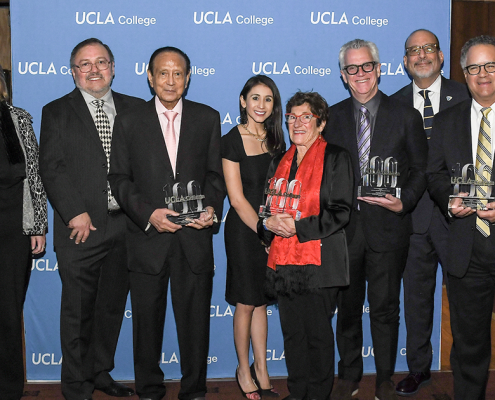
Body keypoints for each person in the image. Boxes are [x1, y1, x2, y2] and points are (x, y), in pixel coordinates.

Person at [108, 46, 224, 400]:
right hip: (147, 241)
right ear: (149, 76)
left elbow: (214, 177)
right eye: (163, 73)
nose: (170, 80)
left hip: (194, 240)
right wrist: (149, 215)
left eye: (178, 73)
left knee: (195, 326)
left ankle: (193, 390)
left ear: (188, 78)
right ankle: (149, 390)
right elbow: (119, 179)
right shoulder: (128, 120)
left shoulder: (207, 117)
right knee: (146, 327)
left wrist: (211, 209)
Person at [39, 38, 144, 400]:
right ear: (73, 73)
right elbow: (51, 169)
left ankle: (100, 373)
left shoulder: (135, 109)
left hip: (126, 227)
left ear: (113, 68)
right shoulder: (56, 111)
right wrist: (74, 213)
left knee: (111, 308)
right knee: (78, 313)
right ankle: (76, 387)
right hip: (80, 230)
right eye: (85, 64)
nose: (94, 70)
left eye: (101, 62)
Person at [324, 39, 428, 400]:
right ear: (343, 75)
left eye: (367, 66)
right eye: (352, 69)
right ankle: (349, 376)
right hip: (344, 233)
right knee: (347, 310)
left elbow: (420, 170)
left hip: (390, 230)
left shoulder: (406, 115)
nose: (360, 74)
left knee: (385, 310)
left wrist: (406, 202)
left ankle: (383, 377)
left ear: (379, 68)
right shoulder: (331, 118)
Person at [259, 91, 353, 400]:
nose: (297, 123)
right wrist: (267, 225)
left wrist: (297, 228)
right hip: (284, 264)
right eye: (292, 117)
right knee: (293, 336)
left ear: (321, 122)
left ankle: (317, 395)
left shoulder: (336, 157)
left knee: (317, 337)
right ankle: (297, 393)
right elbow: (266, 211)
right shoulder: (279, 161)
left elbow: (340, 212)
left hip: (320, 262)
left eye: (306, 117)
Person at [391, 29, 470, 397]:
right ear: (405, 62)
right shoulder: (392, 104)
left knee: (467, 300)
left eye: (428, 49)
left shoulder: (469, 94)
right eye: (413, 51)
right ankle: (419, 369)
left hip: (463, 217)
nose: (421, 55)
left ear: (441, 57)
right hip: (415, 219)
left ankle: (466, 373)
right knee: (417, 300)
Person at [427, 35, 495, 400]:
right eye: (474, 67)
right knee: (469, 344)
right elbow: (434, 174)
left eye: (490, 65)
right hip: (465, 247)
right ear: (464, 74)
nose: (482, 74)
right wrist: (449, 198)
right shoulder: (446, 120)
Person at [222, 75, 285, 400]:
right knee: (246, 303)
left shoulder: (277, 141)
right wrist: (263, 230)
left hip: (272, 230)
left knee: (262, 300)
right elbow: (236, 198)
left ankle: (262, 369)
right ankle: (243, 370)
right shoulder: (231, 139)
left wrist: (276, 228)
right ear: (243, 101)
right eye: (255, 98)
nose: (261, 105)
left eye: (268, 99)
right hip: (245, 231)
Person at [0, 64, 47, 400]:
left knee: (7, 309)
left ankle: (8, 388)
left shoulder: (18, 119)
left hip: (12, 225)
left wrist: (38, 225)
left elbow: (34, 174)